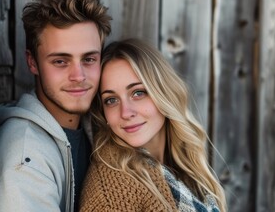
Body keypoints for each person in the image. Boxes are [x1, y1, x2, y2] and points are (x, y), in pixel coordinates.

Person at [0, 0, 111, 212]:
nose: (79, 76)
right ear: (33, 62)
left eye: (89, 59)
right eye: (60, 61)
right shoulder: (24, 160)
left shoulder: (100, 126)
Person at [80, 38, 227, 211]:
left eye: (138, 93)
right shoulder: (112, 193)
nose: (126, 112)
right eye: (111, 100)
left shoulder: (186, 175)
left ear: (163, 94)